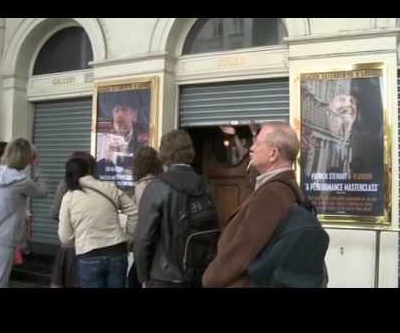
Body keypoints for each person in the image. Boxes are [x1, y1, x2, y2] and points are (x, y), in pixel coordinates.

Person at [202, 122, 306, 287]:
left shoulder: (272, 195)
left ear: (273, 154)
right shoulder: (282, 188)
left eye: (257, 143)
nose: (251, 148)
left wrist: (209, 278)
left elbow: (242, 252)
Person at [134, 129, 217, 288]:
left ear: (164, 153)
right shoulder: (205, 185)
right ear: (190, 152)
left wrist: (143, 276)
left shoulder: (157, 187)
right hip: (198, 274)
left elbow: (143, 238)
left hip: (163, 276)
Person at [58, 157, 138, 288]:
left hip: (88, 255)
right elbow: (134, 212)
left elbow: (65, 238)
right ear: (89, 170)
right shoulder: (109, 188)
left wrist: (80, 242)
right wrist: (128, 238)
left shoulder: (69, 197)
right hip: (117, 251)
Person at [0, 138, 47, 288]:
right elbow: (42, 192)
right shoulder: (22, 182)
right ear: (27, 158)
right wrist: (36, 168)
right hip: (5, 239)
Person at [50, 151, 98, 288]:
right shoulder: (100, 185)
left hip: (71, 246)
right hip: (94, 246)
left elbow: (54, 213)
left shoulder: (65, 184)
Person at [96, 92, 149, 190]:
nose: (119, 114)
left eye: (124, 109)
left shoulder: (145, 139)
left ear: (134, 115)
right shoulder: (103, 139)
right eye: (116, 110)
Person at [127, 146, 163, 288]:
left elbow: (141, 219)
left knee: (134, 280)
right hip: (160, 243)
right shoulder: (161, 183)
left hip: (146, 242)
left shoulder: (141, 187)